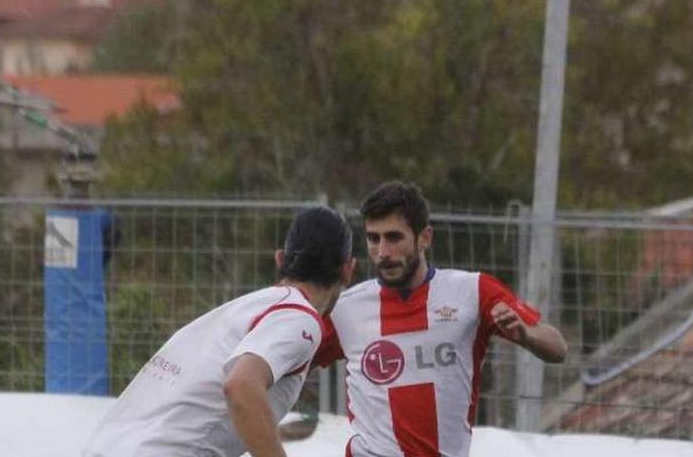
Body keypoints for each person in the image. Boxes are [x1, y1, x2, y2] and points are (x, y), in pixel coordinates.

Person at [314, 181, 567, 457]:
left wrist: (527, 336)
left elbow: (557, 348)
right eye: (374, 238)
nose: (383, 252)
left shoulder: (473, 291)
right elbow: (283, 361)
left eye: (394, 237)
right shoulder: (346, 308)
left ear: (425, 237)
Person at [83, 206, 356, 457]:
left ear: (280, 259)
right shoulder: (301, 318)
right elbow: (241, 386)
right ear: (348, 270)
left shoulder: (237, 312)